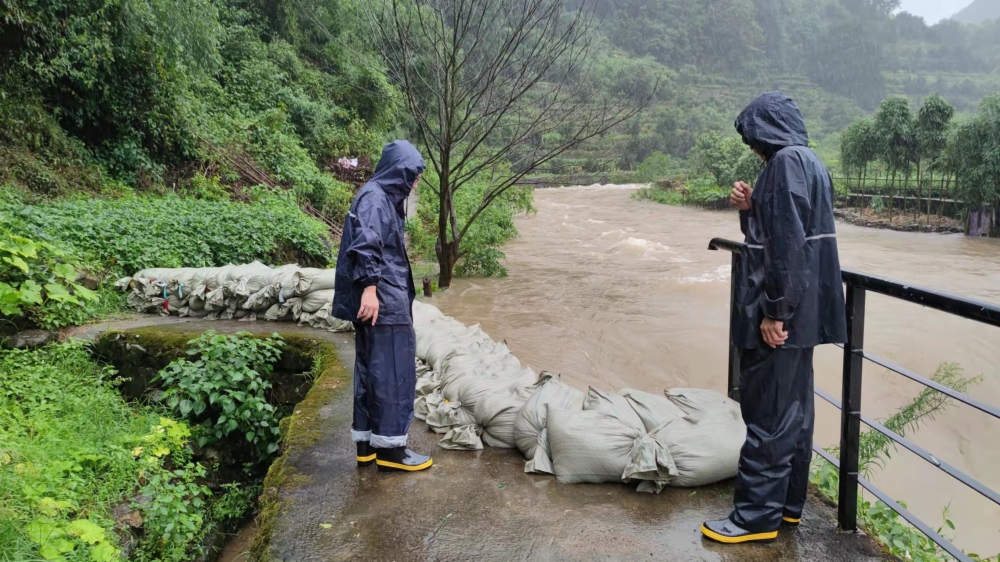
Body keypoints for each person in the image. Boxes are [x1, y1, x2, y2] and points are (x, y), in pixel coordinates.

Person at [701, 92, 847, 543]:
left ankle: (754, 519)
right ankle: (787, 507)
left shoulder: (784, 166)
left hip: (786, 314)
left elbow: (787, 247)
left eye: (753, 137)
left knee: (768, 413)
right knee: (795, 413)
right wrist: (751, 209)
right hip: (808, 313)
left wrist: (774, 311)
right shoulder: (810, 163)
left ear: (767, 129)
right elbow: (787, 230)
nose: (752, 147)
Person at [332, 140, 433, 473]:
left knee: (370, 373)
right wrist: (371, 289)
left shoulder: (376, 195)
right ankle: (392, 451)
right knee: (392, 373)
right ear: (398, 170)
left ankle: (368, 447)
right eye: (412, 175)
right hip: (384, 300)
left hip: (380, 297)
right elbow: (366, 244)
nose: (415, 182)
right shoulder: (376, 199)